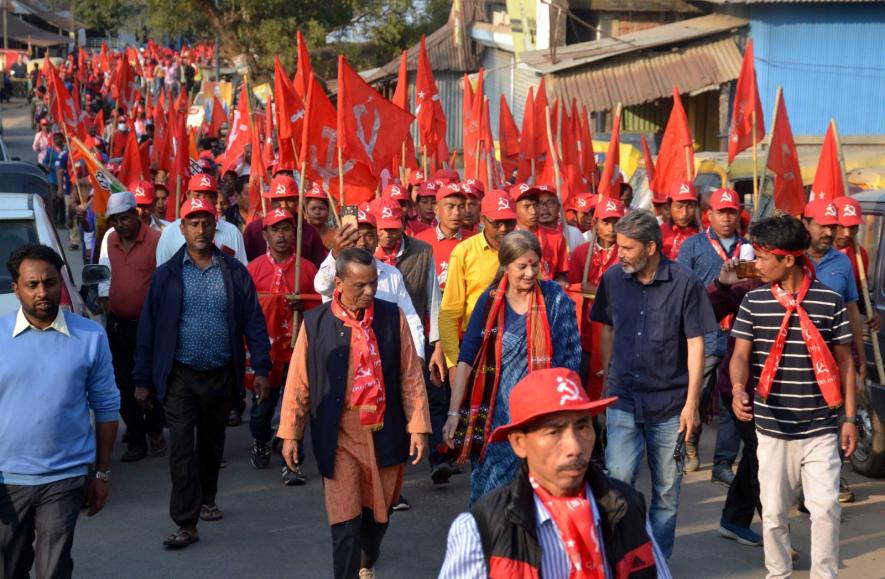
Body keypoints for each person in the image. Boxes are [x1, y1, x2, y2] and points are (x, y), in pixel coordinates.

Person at [278, 247, 431, 579]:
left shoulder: (392, 318)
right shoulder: (315, 323)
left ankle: (368, 554)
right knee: (345, 521)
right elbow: (299, 381)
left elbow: (410, 376)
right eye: (360, 285)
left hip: (385, 430)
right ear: (339, 282)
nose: (369, 292)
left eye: (373, 283)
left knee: (379, 516)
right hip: (340, 434)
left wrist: (418, 425)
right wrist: (291, 432)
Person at [439, 368, 672, 579]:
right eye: (554, 432)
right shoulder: (480, 531)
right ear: (519, 443)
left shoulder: (626, 509)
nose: (574, 447)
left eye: (582, 427)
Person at [134, 198, 271, 549]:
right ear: (181, 228)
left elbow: (254, 321)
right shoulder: (167, 275)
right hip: (180, 376)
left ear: (215, 226)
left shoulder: (233, 271)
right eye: (192, 223)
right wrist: (142, 380)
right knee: (181, 447)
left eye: (205, 223)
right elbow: (148, 328)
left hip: (220, 375)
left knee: (211, 445)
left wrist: (261, 367)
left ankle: (207, 497)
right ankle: (185, 521)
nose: (200, 229)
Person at [729, 214, 857, 579]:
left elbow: (846, 363)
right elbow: (740, 355)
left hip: (820, 427)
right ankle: (778, 573)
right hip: (770, 429)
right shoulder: (753, 302)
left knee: (826, 509)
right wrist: (739, 388)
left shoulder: (829, 302)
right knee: (771, 514)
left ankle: (824, 575)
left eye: (763, 256)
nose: (755, 264)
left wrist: (849, 419)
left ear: (788, 259)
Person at [590, 210, 717, 558]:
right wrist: (605, 378)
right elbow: (607, 328)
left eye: (628, 248)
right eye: (618, 246)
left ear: (650, 247)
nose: (620, 254)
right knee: (616, 481)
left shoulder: (685, 282)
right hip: (623, 400)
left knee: (667, 494)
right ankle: (619, 558)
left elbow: (696, 344)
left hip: (670, 409)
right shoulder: (613, 278)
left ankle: (656, 563)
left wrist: (692, 404)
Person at [0, 244, 120, 578]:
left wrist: (101, 474)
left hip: (64, 477)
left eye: (50, 283)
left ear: (61, 283)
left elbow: (107, 408)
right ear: (16, 289)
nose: (42, 292)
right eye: (32, 285)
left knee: (53, 571)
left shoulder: (90, 336)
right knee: (9, 568)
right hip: (7, 480)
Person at [442, 230, 581, 504]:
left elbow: (571, 360)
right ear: (505, 266)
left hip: (542, 417)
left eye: (534, 265)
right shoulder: (490, 302)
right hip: (497, 419)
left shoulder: (555, 300)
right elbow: (467, 360)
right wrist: (453, 413)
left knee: (541, 498)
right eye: (522, 266)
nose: (530, 273)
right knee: (491, 498)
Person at [372, 196, 449, 483]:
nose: (387, 235)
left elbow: (433, 302)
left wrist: (438, 345)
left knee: (433, 396)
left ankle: (439, 458)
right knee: (391, 406)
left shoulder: (422, 252)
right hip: (379, 343)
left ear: (404, 225)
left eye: (393, 228)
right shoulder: (365, 255)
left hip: (417, 338)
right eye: (382, 228)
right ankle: (393, 473)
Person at [676, 188, 746, 482]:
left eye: (732, 212)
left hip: (739, 333)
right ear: (710, 214)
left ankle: (723, 463)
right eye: (721, 212)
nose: (727, 218)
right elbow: (681, 289)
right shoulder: (692, 246)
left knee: (732, 397)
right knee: (698, 393)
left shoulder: (749, 247)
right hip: (705, 333)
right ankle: (691, 444)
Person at [246, 208, 318, 485]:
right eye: (275, 230)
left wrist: (305, 302)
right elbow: (245, 311)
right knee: (262, 409)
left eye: (287, 229)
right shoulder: (253, 270)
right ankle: (261, 440)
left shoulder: (308, 269)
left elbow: (321, 306)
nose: (281, 235)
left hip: (296, 350)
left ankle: (292, 462)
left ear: (295, 234)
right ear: (265, 235)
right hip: (264, 350)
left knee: (295, 406)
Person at [97, 192, 165, 463]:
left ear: (136, 215)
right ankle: (136, 439)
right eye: (115, 220)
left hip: (150, 328)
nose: (120, 225)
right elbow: (104, 275)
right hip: (118, 326)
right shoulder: (110, 240)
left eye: (124, 218)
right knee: (122, 383)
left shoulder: (156, 241)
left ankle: (155, 424)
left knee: (154, 381)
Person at [314, 206, 427, 364]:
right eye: (356, 235)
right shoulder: (336, 269)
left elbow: (409, 317)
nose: (362, 242)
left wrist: (418, 355)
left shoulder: (392, 274)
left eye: (369, 236)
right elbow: (321, 286)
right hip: (342, 357)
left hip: (381, 359)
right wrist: (335, 254)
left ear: (377, 241)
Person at [439, 190, 517, 372]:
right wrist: (453, 364)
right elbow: (449, 311)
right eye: (497, 223)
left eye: (509, 222)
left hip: (517, 345)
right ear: (482, 219)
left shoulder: (525, 248)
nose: (504, 229)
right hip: (477, 345)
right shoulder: (464, 252)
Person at [567, 197, 624, 400]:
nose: (611, 228)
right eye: (606, 222)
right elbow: (573, 290)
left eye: (616, 222)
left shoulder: (627, 252)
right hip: (585, 332)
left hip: (616, 330)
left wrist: (596, 290)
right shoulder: (582, 252)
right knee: (583, 385)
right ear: (595, 223)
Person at [155, 173, 247, 265]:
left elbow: (241, 271)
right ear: (188, 195)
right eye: (197, 195)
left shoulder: (233, 233)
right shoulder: (170, 233)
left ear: (215, 199)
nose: (202, 201)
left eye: (208, 196)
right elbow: (163, 273)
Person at [242, 174, 327, 266]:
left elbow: (320, 269)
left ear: (297, 200)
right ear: (270, 201)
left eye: (289, 199)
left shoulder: (310, 233)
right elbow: (243, 263)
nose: (283, 205)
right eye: (278, 200)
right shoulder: (254, 230)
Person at [415, 183, 472, 290]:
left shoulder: (474, 241)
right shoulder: (420, 241)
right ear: (436, 209)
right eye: (450, 207)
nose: (456, 213)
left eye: (461, 207)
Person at [510, 183, 569, 282]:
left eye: (535, 205)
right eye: (527, 206)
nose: (533, 211)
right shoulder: (508, 239)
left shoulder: (556, 237)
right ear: (514, 208)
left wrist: (559, 284)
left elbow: (562, 273)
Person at [660, 180, 700, 260]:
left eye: (690, 207)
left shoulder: (705, 234)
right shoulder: (658, 232)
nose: (684, 213)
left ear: (696, 207)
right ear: (669, 206)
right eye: (679, 207)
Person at [537, 184, 585, 250]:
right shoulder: (527, 235)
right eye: (539, 203)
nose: (545, 207)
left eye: (550, 203)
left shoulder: (573, 233)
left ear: (559, 206)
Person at [304, 183, 335, 250]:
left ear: (328, 211)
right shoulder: (300, 237)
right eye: (313, 208)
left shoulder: (337, 235)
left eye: (321, 208)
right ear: (305, 212)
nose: (317, 212)